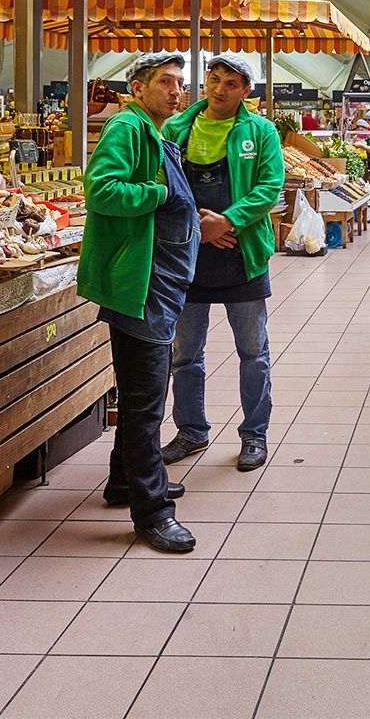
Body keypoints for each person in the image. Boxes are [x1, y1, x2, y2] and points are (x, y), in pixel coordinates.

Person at [78, 51, 201, 553]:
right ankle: (152, 513)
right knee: (147, 403)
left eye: (180, 84)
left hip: (159, 280)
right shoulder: (126, 129)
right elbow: (101, 190)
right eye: (166, 83)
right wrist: (158, 196)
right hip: (141, 283)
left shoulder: (156, 132)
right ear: (138, 89)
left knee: (138, 395)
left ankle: (125, 481)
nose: (177, 91)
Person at [160, 53, 285, 472]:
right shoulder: (177, 126)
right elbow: (161, 181)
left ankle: (254, 434)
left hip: (242, 255)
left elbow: (270, 186)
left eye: (231, 83)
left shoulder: (260, 131)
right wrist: (199, 225)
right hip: (187, 254)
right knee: (184, 354)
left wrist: (228, 220)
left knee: (253, 352)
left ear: (246, 90)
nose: (219, 89)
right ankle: (191, 431)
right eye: (214, 80)